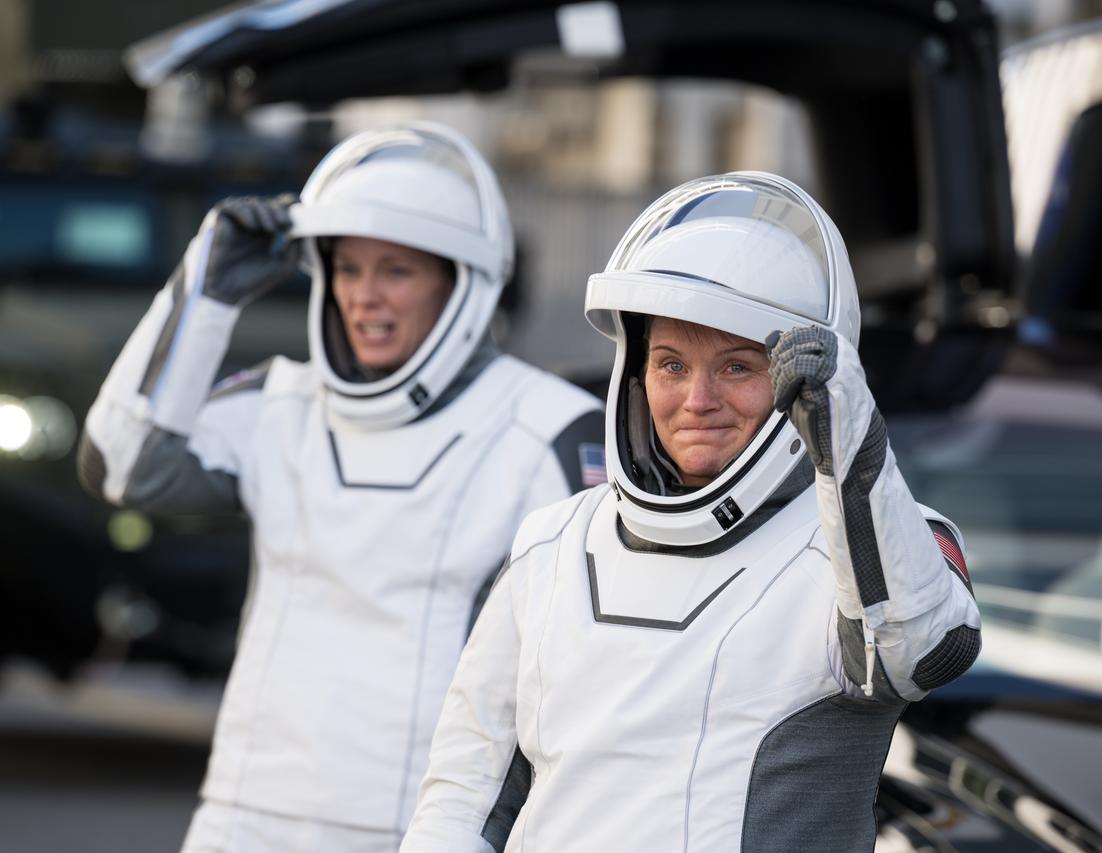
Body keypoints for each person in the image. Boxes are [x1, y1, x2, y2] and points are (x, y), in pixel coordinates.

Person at [400, 171, 982, 853]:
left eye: (737, 367)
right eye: (671, 365)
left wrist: (851, 439)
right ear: (635, 372)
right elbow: (463, 799)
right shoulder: (552, 542)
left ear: (801, 375)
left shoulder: (873, 546)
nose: (697, 400)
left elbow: (923, 650)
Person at [78, 123, 604, 853]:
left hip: (418, 826)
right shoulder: (280, 402)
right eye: (347, 269)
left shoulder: (552, 428)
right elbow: (119, 463)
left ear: (463, 280)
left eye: (396, 270)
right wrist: (206, 290)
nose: (364, 297)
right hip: (244, 816)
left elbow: (589, 669)